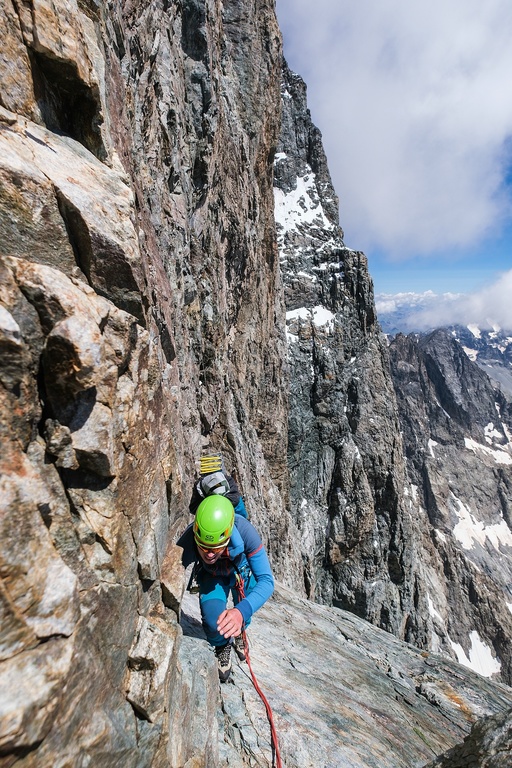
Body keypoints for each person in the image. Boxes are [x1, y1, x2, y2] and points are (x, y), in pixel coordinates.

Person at [177, 495, 274, 682]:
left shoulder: (246, 532)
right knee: (214, 623)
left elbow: (266, 581)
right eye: (204, 547)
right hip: (212, 576)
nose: (210, 554)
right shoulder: (190, 537)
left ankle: (240, 631)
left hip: (241, 573)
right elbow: (169, 568)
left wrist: (241, 612)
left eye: (216, 547)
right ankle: (222, 646)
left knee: (243, 609)